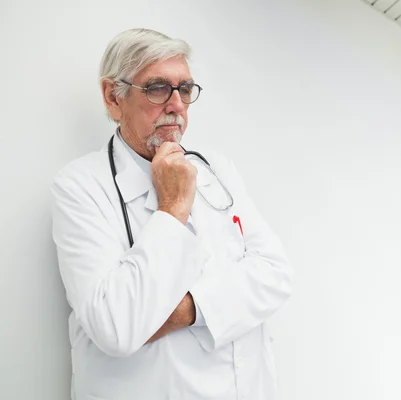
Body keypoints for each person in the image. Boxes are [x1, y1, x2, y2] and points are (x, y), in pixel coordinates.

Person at [50, 28, 294, 400]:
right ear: (113, 97)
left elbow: (275, 274)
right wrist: (172, 207)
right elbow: (115, 326)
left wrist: (178, 311)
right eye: (157, 88)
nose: (177, 105)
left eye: (185, 89)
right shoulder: (80, 186)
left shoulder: (217, 169)